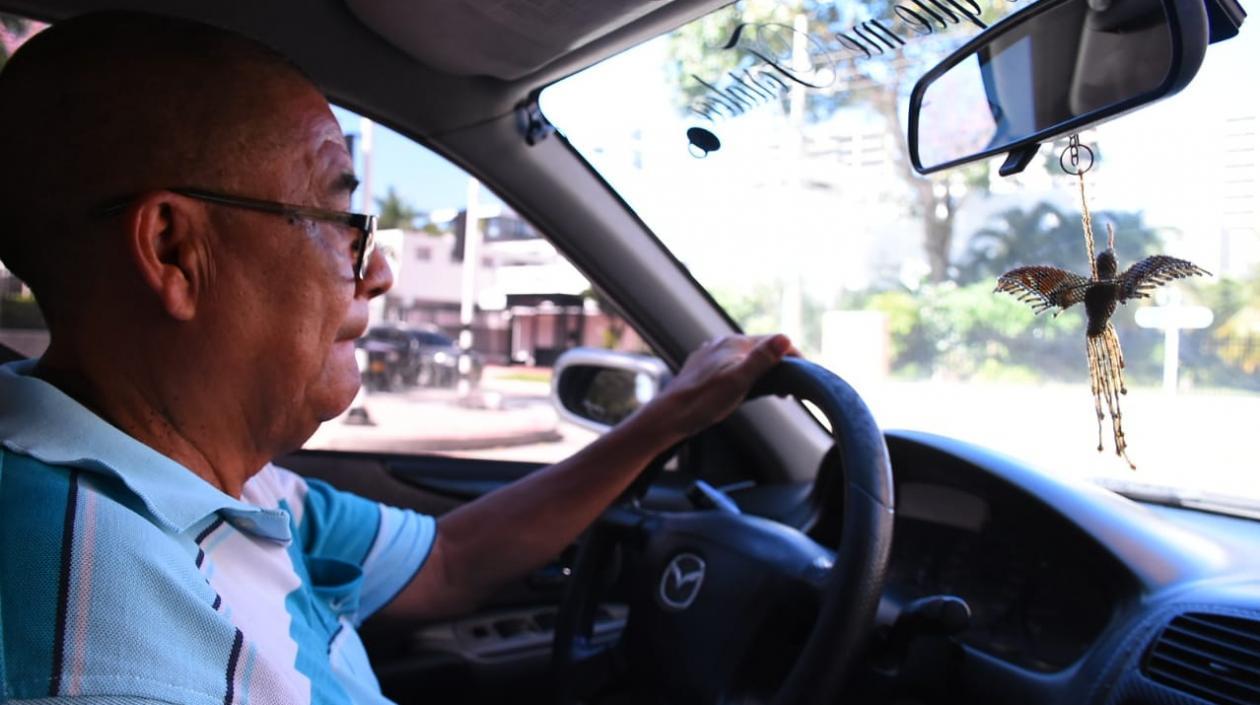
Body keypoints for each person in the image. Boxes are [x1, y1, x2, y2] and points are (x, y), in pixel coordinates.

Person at [0, 11, 793, 704]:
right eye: (341, 218)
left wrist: (669, 415)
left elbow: (450, 558)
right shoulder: (93, 653)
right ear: (175, 250)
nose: (377, 269)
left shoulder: (224, 480)